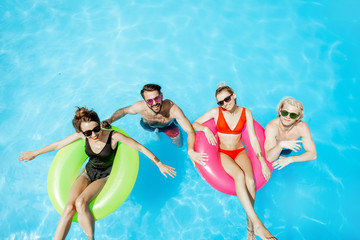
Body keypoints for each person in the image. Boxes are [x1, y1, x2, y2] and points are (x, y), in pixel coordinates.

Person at [19, 107, 175, 240]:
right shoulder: (82, 136)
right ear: (82, 132)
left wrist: (159, 164)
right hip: (87, 173)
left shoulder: (113, 136)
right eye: (88, 133)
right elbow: (58, 144)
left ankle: (90, 238)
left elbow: (139, 147)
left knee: (81, 203)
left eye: (96, 129)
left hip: (104, 176)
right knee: (68, 207)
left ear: (100, 124)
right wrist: (35, 153)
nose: (93, 134)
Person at [192, 84, 276, 240]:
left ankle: (250, 228)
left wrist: (263, 162)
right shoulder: (216, 113)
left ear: (234, 95)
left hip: (239, 151)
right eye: (220, 102)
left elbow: (253, 139)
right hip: (223, 152)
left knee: (250, 181)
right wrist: (205, 129)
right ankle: (257, 225)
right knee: (239, 176)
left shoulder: (246, 113)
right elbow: (195, 124)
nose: (225, 104)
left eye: (227, 99)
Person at [101, 83, 207, 166]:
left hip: (168, 126)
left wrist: (191, 150)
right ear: (145, 101)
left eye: (157, 98)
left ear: (161, 96)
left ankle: (161, 134)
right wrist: (111, 120)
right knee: (155, 134)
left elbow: (189, 130)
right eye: (150, 101)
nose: (155, 103)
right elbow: (123, 111)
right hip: (148, 125)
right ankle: (157, 133)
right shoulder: (139, 107)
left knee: (179, 144)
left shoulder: (172, 109)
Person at [264, 96, 317, 170]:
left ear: (298, 117)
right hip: (274, 148)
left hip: (288, 151)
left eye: (293, 115)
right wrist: (281, 144)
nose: (288, 117)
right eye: (285, 112)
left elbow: (313, 154)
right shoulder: (272, 127)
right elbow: (269, 158)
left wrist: (290, 159)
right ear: (280, 111)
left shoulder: (302, 128)